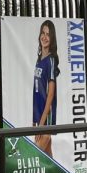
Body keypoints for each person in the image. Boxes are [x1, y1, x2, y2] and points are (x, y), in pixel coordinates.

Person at [32, 20, 59, 157]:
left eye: (48, 34)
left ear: (52, 37)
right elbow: (36, 92)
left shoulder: (51, 60)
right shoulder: (39, 60)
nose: (44, 36)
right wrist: (34, 119)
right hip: (39, 117)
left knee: (36, 155)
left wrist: (42, 124)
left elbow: (50, 95)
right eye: (43, 33)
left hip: (46, 118)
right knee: (48, 158)